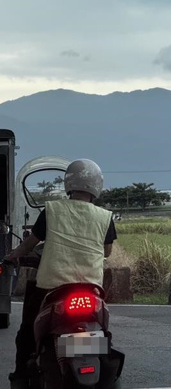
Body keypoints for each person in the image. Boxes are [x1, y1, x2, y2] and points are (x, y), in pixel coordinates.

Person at [3, 159, 117, 388]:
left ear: (69, 184)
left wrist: (13, 256)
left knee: (26, 333)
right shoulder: (105, 216)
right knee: (102, 331)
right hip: (91, 288)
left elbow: (30, 243)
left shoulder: (52, 210)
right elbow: (106, 251)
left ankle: (20, 378)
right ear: (97, 186)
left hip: (52, 286)